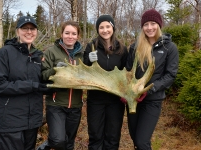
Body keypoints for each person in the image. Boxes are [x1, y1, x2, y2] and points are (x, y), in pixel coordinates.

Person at [0, 16, 51, 150]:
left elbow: (40, 81)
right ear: (18, 31)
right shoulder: (4, 53)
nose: (29, 32)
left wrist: (51, 83)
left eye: (32, 28)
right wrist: (32, 86)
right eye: (25, 28)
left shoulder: (37, 56)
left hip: (32, 121)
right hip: (10, 121)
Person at [126, 9, 179, 150]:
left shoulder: (169, 48)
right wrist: (126, 92)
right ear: (142, 27)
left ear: (159, 25)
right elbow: (128, 72)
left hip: (153, 100)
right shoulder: (135, 47)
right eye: (146, 24)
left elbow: (170, 75)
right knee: (135, 139)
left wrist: (150, 89)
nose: (149, 28)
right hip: (134, 101)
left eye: (153, 23)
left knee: (142, 141)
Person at [83, 14, 128, 150]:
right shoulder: (91, 46)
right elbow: (84, 72)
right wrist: (88, 61)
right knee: (96, 135)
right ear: (98, 30)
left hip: (115, 100)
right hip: (96, 99)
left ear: (113, 28)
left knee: (112, 136)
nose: (105, 30)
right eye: (101, 27)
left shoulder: (122, 49)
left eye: (108, 26)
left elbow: (126, 73)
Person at [37, 21, 84, 150]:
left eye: (74, 33)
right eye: (67, 33)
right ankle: (47, 145)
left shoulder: (82, 55)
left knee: (69, 143)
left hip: (75, 105)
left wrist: (91, 61)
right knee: (58, 140)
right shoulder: (51, 52)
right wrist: (55, 70)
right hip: (56, 103)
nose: (70, 36)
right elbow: (42, 74)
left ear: (78, 36)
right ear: (61, 34)